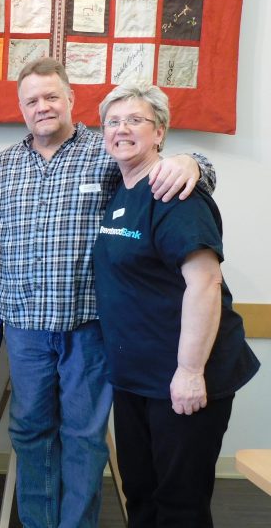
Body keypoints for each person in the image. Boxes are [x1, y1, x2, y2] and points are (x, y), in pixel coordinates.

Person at [0, 57, 215, 528]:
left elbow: (165, 169)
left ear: (70, 100)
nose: (42, 107)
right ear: (21, 108)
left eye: (51, 97)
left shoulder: (105, 154)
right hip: (23, 327)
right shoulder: (1, 169)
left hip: (89, 324)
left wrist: (192, 161)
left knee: (83, 436)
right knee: (30, 432)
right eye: (32, 100)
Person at [93, 84, 259, 527]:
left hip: (183, 377)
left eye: (135, 120)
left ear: (160, 132)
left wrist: (188, 372)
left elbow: (205, 283)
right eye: (112, 121)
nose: (121, 129)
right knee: (141, 495)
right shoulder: (119, 187)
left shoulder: (176, 193)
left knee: (180, 505)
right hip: (136, 378)